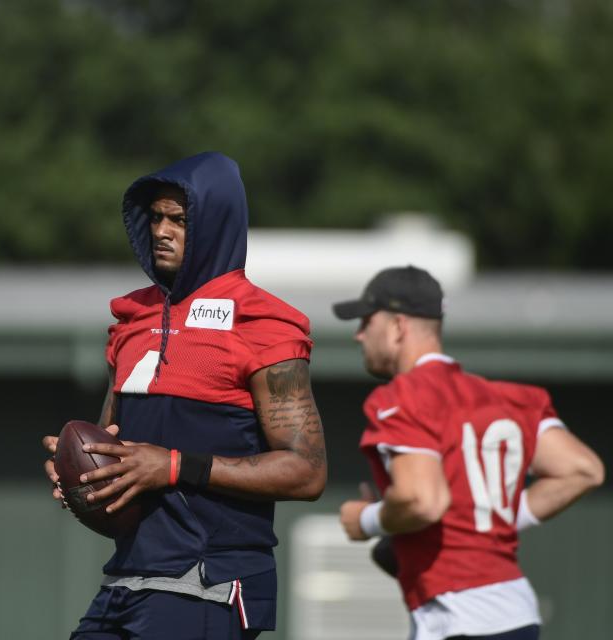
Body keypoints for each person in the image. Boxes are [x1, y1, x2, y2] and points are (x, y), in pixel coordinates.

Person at [43, 151, 327, 639]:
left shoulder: (263, 325)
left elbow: (307, 471)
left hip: (208, 581)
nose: (161, 231)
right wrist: (83, 473)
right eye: (155, 217)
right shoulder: (132, 321)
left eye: (178, 219)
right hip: (127, 579)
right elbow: (113, 442)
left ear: (216, 224)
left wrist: (174, 465)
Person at [335, 266, 605, 640]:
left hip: (458, 614)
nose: (358, 334)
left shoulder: (403, 396)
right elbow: (583, 470)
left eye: (366, 321)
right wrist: (489, 521)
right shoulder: (508, 398)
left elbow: (423, 501)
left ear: (398, 326)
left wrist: (366, 519)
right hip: (516, 611)